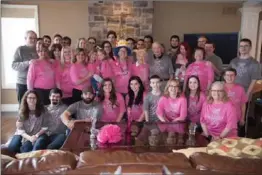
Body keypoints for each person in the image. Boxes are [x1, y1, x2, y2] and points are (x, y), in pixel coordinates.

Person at [156, 79, 187, 144]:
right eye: (171, 86)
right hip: (166, 123)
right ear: (168, 87)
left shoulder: (183, 99)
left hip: (179, 123)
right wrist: (164, 122)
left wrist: (172, 124)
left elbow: (183, 116)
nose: (173, 88)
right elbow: (159, 113)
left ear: (178, 89)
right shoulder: (163, 98)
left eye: (176, 86)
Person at [12, 30, 38, 104]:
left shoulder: (39, 49)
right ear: (25, 38)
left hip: (35, 83)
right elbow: (14, 65)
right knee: (23, 106)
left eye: (35, 38)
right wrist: (28, 63)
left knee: (34, 106)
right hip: (22, 83)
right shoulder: (20, 49)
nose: (33, 40)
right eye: (30, 38)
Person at [223, 68, 247, 137]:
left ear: (235, 76)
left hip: (236, 119)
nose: (229, 77)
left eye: (232, 75)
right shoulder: (220, 87)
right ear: (224, 77)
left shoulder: (240, 88)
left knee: (233, 139)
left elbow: (243, 104)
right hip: (222, 120)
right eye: (227, 75)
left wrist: (242, 118)